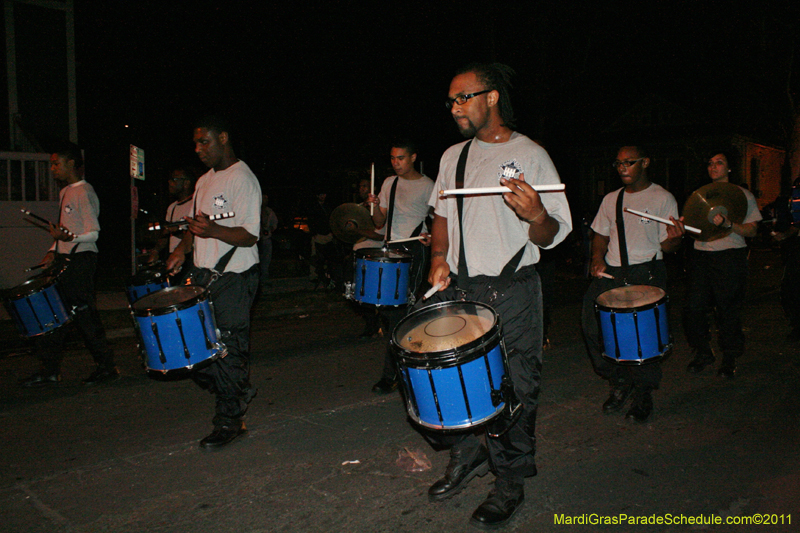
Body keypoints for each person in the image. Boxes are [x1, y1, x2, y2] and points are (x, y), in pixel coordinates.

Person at [421, 63, 571, 529]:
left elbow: (551, 235)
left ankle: (509, 481)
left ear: (491, 98)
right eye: (450, 100)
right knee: (461, 386)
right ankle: (468, 457)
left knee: (515, 387)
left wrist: (536, 213)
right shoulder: (453, 157)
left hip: (514, 289)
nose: (455, 107)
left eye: (463, 97)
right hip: (463, 288)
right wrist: (438, 257)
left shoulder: (532, 155)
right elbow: (441, 214)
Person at [166, 116, 261, 450]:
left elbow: (250, 234)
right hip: (205, 275)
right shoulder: (204, 181)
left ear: (222, 138)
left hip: (235, 276)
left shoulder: (243, 178)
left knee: (229, 350)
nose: (198, 149)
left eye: (203, 141)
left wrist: (213, 231)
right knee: (197, 351)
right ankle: (236, 386)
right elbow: (196, 227)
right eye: (195, 143)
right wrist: (181, 250)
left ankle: (229, 420)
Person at [580, 145, 684, 423]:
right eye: (618, 163)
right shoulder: (611, 199)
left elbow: (669, 245)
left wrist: (676, 237)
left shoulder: (663, 198)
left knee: (642, 339)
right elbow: (600, 234)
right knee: (591, 326)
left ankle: (643, 392)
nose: (623, 168)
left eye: (629, 162)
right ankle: (619, 380)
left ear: (646, 162)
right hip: (613, 271)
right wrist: (596, 259)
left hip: (646, 271)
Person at [21, 141, 119, 387]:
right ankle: (49, 370)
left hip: (82, 260)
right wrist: (53, 250)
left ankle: (107, 367)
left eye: (56, 163)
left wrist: (69, 239)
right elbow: (63, 231)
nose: (52, 168)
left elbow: (93, 233)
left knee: (84, 315)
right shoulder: (65, 192)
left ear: (72, 163)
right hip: (65, 259)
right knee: (54, 316)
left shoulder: (84, 191)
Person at [684, 150, 762, 378]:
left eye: (719, 163)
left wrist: (730, 225)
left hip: (730, 255)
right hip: (701, 255)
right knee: (693, 308)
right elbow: (694, 229)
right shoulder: (700, 197)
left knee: (727, 309)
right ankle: (703, 351)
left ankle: (729, 356)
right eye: (710, 163)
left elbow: (753, 230)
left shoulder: (743, 195)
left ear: (729, 168)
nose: (713, 166)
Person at [365, 140, 434, 393]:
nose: (396, 163)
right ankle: (411, 363)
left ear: (413, 157)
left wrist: (432, 237)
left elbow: (440, 219)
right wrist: (374, 205)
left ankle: (391, 374)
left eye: (401, 158)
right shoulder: (389, 183)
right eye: (393, 158)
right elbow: (378, 221)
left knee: (400, 313)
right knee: (391, 312)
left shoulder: (428, 185)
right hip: (391, 248)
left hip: (415, 250)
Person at [145, 167, 197, 279]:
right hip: (173, 257)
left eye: (174, 179)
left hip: (189, 258)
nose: (170, 182)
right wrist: (155, 251)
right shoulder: (172, 207)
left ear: (186, 183)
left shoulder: (195, 204)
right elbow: (165, 234)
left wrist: (177, 231)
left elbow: (196, 234)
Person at [258, 192, 279, 290]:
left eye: (266, 199)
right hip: (256, 240)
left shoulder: (269, 211)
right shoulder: (255, 210)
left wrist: (270, 228)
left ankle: (264, 280)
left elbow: (275, 223)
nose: (265, 201)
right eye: (263, 199)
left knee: (266, 260)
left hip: (266, 239)